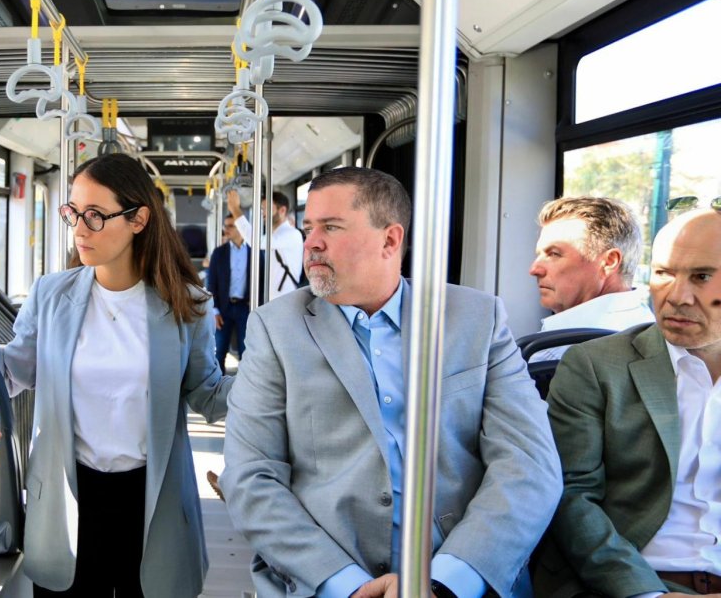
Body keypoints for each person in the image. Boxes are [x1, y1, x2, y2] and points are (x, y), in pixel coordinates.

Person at [222, 166, 561, 598]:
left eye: (331, 227)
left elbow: (530, 464)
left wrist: (448, 580)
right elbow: (252, 475)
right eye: (309, 228)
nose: (311, 243)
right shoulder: (276, 328)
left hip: (459, 570)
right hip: (328, 570)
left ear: (390, 239)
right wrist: (344, 584)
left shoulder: (474, 319)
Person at [0, 152, 232, 598]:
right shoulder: (51, 294)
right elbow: (11, 373)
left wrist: (272, 375)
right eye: (74, 213)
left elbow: (207, 395)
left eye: (96, 216)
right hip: (69, 497)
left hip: (152, 501)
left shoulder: (186, 305)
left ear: (138, 219)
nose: (80, 229)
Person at [536, 206, 721, 598]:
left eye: (702, 277)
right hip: (634, 580)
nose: (677, 297)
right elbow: (571, 496)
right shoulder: (595, 366)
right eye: (663, 273)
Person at [529, 196, 654, 360]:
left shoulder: (554, 349)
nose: (534, 269)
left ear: (609, 262)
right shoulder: (654, 329)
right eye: (539, 255)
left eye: (554, 254)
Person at [228, 189, 304, 302]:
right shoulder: (275, 235)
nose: (263, 213)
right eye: (262, 209)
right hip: (274, 299)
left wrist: (235, 210)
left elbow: (255, 241)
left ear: (282, 210)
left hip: (285, 301)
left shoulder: (291, 234)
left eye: (267, 209)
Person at [207, 214, 251, 367]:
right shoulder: (219, 253)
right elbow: (211, 283)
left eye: (230, 226)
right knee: (219, 351)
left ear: (241, 228)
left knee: (246, 352)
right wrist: (214, 310)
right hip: (223, 308)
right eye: (225, 226)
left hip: (245, 307)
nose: (226, 230)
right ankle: (217, 388)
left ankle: (244, 389)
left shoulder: (255, 251)